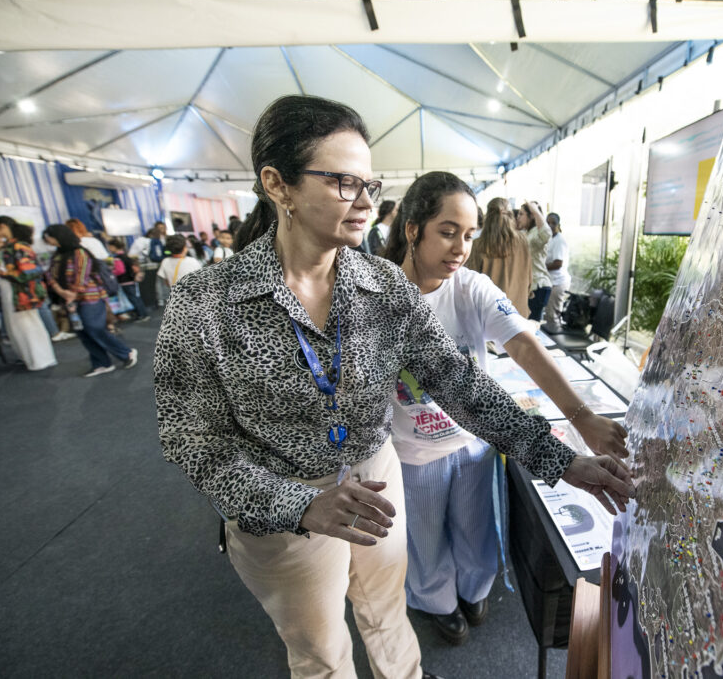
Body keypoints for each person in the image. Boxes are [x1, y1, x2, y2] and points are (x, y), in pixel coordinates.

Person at [155, 94, 633, 679]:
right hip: (281, 504)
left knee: (386, 611)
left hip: (376, 476)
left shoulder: (381, 285)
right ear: (277, 184)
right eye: (341, 182)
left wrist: (558, 458)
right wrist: (300, 505)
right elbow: (191, 438)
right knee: (322, 651)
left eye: (369, 184)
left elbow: (457, 383)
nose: (363, 202)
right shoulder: (207, 301)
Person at [383, 172, 628, 644]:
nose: (460, 248)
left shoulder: (471, 287)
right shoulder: (382, 293)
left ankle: (473, 591)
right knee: (425, 541)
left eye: (469, 236)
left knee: (478, 533)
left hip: (473, 442)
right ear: (413, 228)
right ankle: (436, 602)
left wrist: (583, 417)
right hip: (411, 453)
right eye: (448, 232)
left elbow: (524, 345)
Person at [44, 225, 137, 376]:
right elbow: (49, 275)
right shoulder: (57, 255)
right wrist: (61, 292)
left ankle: (126, 352)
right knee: (83, 332)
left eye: (49, 237)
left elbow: (82, 276)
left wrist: (71, 294)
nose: (48, 240)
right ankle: (101, 363)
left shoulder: (80, 253)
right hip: (69, 299)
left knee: (94, 327)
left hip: (89, 297)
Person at [0, 217, 57, 371]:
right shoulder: (9, 246)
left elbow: (29, 272)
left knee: (27, 326)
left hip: (20, 292)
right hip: (11, 290)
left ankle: (39, 359)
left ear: (3, 226)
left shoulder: (19, 246)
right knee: (18, 327)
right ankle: (30, 358)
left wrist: (1, 273)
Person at [466, 197, 531, 318]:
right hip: (518, 314)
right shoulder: (523, 241)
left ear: (488, 217)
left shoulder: (478, 245)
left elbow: (471, 283)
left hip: (490, 317)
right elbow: (529, 276)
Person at [515, 201, 552, 321]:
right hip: (529, 287)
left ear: (531, 216)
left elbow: (547, 233)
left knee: (532, 327)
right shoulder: (525, 233)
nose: (518, 217)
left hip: (538, 286)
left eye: (521, 214)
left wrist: (535, 210)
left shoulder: (537, 232)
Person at [107, 238, 150, 322]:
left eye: (110, 247)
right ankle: (143, 313)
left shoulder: (118, 258)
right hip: (131, 279)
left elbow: (120, 270)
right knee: (136, 298)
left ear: (114, 247)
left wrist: (112, 272)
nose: (109, 249)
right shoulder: (126, 256)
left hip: (125, 281)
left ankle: (141, 315)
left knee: (133, 298)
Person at [542, 212, 571, 332]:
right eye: (548, 222)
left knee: (552, 314)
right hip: (551, 281)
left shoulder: (560, 240)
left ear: (558, 225)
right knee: (548, 313)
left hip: (558, 282)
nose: (550, 225)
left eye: (553, 223)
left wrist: (541, 267)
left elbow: (558, 263)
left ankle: (557, 339)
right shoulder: (549, 238)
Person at [156, 235, 201, 299]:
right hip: (193, 297)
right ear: (184, 248)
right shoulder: (192, 261)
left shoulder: (165, 262)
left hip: (176, 298)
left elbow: (166, 282)